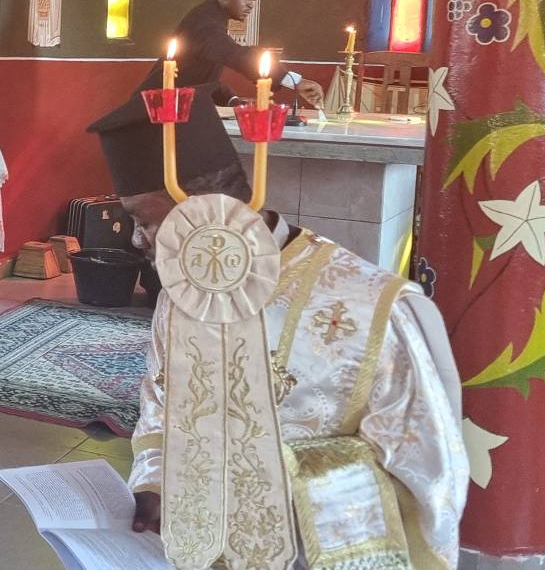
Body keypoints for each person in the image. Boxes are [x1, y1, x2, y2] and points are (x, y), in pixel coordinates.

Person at [88, 113, 467, 568]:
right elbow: (160, 401)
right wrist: (154, 484)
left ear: (208, 213)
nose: (136, 240)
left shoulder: (373, 308)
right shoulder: (184, 290)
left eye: (145, 221)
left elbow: (427, 474)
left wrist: (268, 479)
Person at [92, 0, 325, 203]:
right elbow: (234, 54)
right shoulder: (205, 23)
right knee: (155, 201)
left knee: (175, 198)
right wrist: (293, 80)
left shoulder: (212, 19)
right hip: (151, 118)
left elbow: (201, 78)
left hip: (167, 117)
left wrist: (232, 99)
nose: (250, 5)